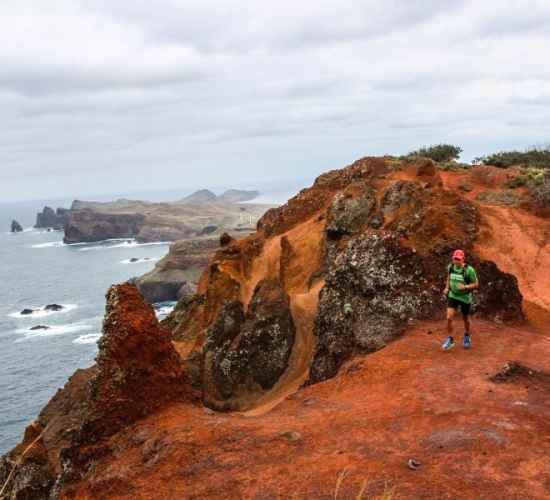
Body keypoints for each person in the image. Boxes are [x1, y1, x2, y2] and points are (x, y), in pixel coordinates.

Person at [442, 249, 479, 350]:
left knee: (465, 319)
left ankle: (467, 336)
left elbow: (476, 284)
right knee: (449, 317)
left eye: (458, 259)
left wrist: (465, 287)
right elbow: (448, 278)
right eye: (454, 259)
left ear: (463, 259)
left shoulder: (469, 270)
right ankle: (450, 339)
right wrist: (446, 288)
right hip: (453, 295)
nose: (456, 261)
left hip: (465, 298)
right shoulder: (451, 267)